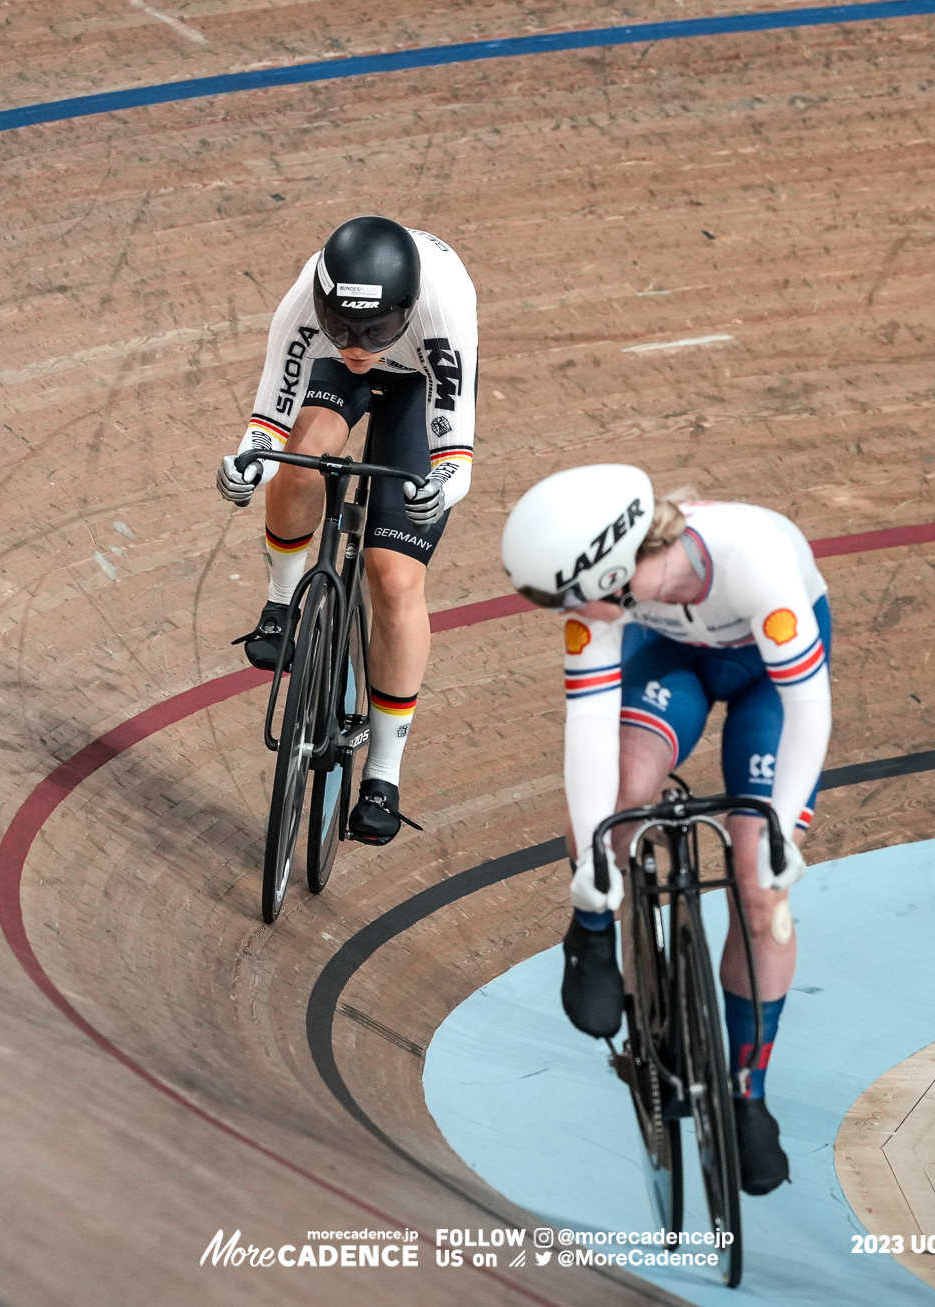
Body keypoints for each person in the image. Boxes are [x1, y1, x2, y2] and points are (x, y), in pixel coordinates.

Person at [500, 464, 832, 1197]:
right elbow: (587, 727)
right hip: (671, 662)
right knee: (623, 790)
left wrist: (779, 829)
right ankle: (591, 928)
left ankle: (748, 1092)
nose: (567, 610)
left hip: (767, 686)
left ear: (610, 571)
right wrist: (592, 864)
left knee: (757, 881)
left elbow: (808, 709)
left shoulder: (758, 564)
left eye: (567, 596)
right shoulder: (599, 601)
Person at [216, 217, 478, 844]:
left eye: (377, 330)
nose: (359, 344)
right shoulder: (306, 298)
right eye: (342, 328)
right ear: (323, 306)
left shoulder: (444, 309)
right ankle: (280, 607)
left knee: (393, 579)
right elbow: (269, 418)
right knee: (303, 458)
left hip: (419, 387)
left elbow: (456, 452)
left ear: (408, 311)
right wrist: (248, 462)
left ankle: (383, 774)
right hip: (331, 381)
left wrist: (437, 489)